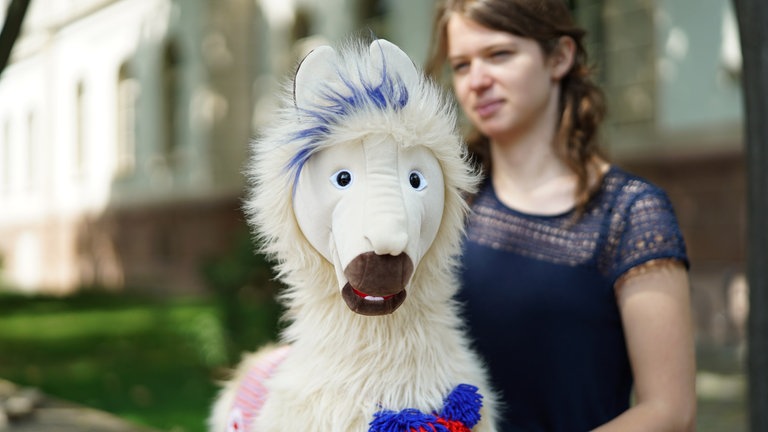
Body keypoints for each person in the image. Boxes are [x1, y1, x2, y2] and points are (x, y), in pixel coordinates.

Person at [426, 1, 697, 431]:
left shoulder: (630, 213)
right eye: (461, 65)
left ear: (559, 56)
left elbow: (669, 410)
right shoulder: (443, 203)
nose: (476, 81)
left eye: (499, 55)